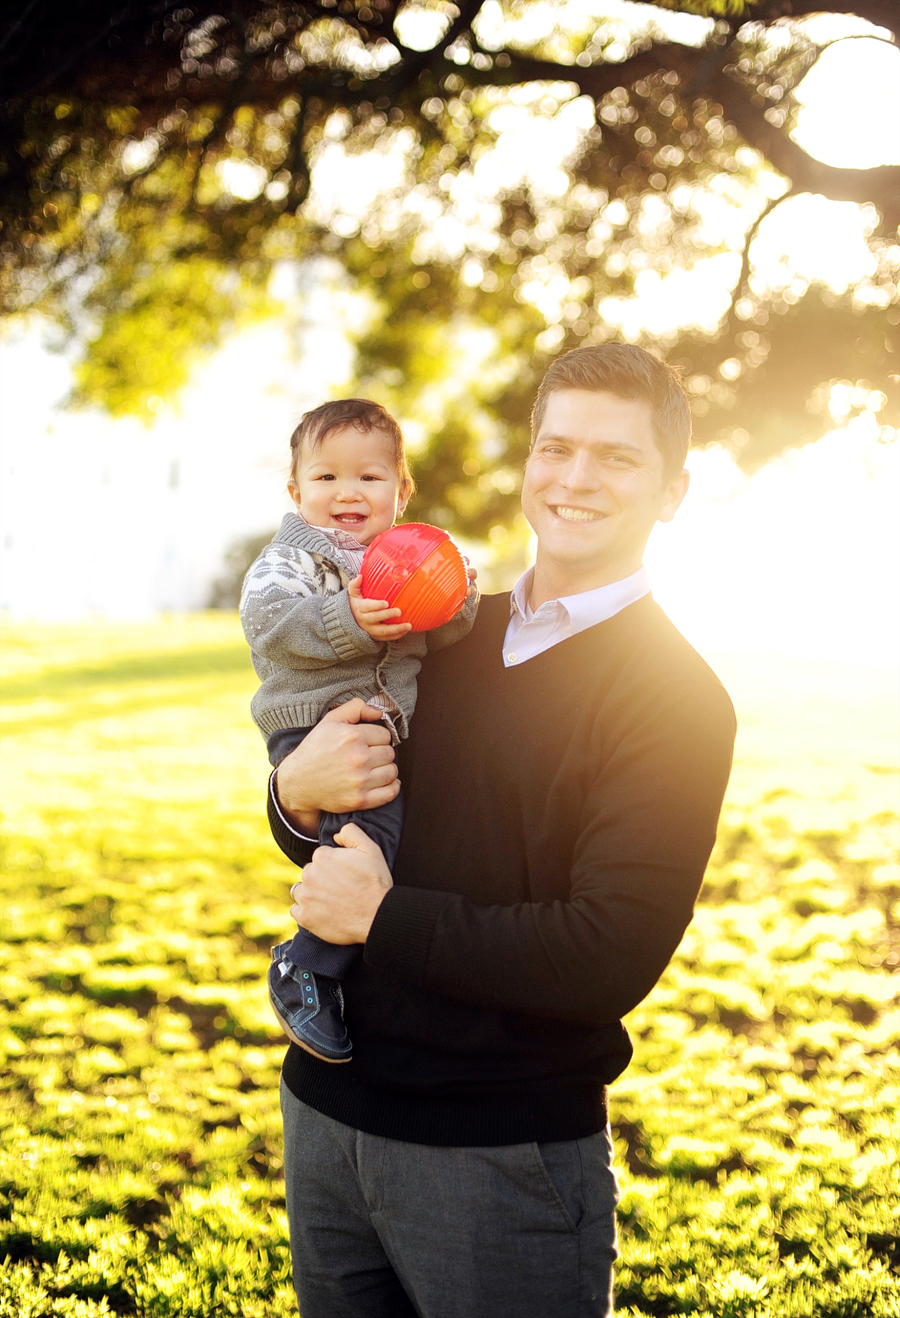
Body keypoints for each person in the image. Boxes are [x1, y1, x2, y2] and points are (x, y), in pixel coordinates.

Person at [266, 345, 737, 1318]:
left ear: (674, 490)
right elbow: (352, 835)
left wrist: (385, 920)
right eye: (555, 447)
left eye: (615, 458)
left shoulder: (677, 699)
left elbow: (606, 952)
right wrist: (294, 795)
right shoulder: (438, 632)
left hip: (496, 1154)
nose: (573, 478)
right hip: (326, 1119)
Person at [240, 398, 478, 1064]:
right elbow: (269, 626)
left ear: (401, 491)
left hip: (376, 728)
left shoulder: (403, 556)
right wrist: (345, 617)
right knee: (367, 834)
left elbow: (449, 623)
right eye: (325, 478)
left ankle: (330, 964)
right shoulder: (287, 562)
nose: (347, 492)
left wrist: (456, 588)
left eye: (370, 478)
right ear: (296, 491)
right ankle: (305, 967)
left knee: (379, 833)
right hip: (313, 722)